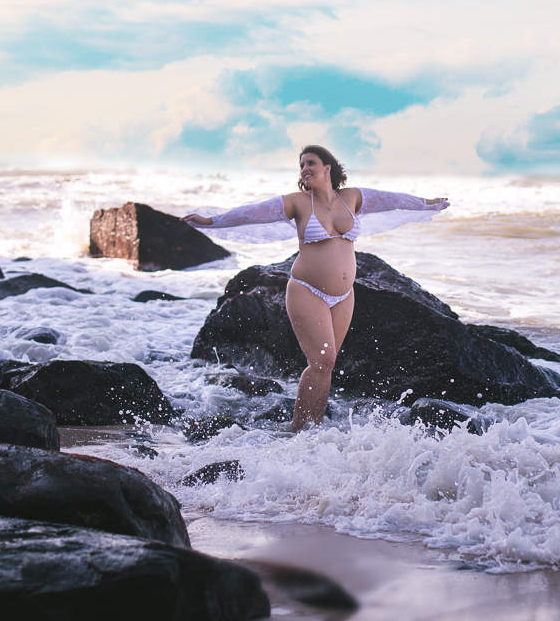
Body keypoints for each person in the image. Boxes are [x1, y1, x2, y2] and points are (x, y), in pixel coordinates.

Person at [182, 145, 449, 431]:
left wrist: (426, 203)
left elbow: (391, 199)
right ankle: (297, 428)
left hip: (344, 295)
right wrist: (212, 221)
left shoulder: (352, 197)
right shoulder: (297, 202)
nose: (305, 169)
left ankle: (313, 430)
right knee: (322, 361)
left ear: (327, 167)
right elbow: (253, 213)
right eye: (301, 165)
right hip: (306, 290)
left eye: (311, 163)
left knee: (327, 366)